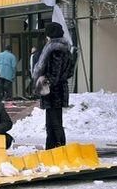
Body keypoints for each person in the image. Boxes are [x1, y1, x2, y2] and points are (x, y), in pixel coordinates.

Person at [32, 22, 72, 150]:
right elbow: (69, 72)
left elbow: (55, 73)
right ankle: (51, 149)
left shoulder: (55, 50)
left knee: (54, 123)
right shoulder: (64, 49)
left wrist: (46, 81)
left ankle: (59, 148)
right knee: (51, 123)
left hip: (53, 92)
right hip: (56, 91)